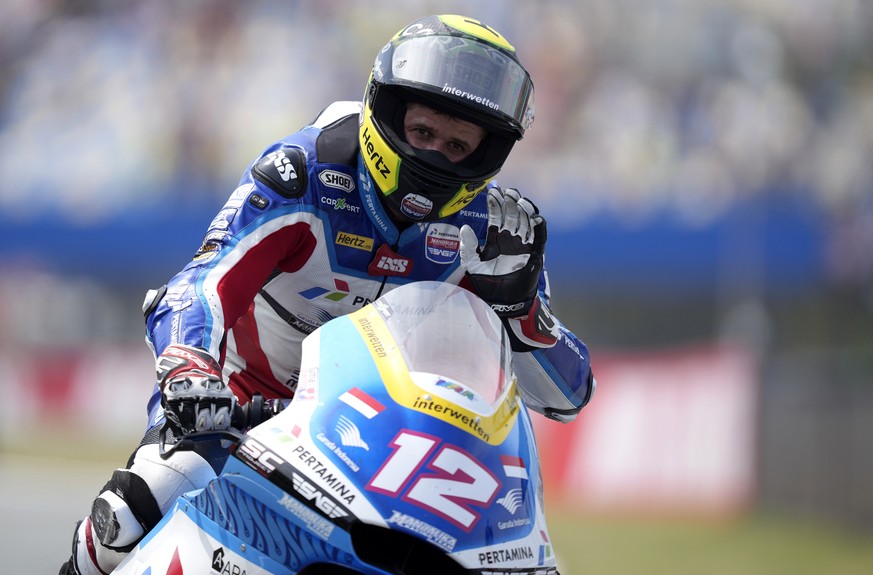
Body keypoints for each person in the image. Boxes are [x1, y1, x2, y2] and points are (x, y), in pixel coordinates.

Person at [60, 14, 594, 575]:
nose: (437, 156)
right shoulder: (305, 172)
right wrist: (189, 369)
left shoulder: (494, 230)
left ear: (487, 157)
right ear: (387, 114)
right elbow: (200, 282)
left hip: (384, 442)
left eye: (459, 145)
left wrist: (522, 311)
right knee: (133, 505)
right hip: (242, 408)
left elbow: (568, 396)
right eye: (424, 133)